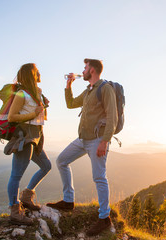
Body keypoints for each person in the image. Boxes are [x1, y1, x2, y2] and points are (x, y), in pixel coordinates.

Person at [47, 58, 118, 236]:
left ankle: (104, 218)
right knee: (62, 160)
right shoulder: (88, 91)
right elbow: (70, 104)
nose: (83, 70)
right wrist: (68, 86)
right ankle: (68, 201)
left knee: (99, 177)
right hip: (82, 139)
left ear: (92, 70)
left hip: (97, 140)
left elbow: (113, 117)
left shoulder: (105, 89)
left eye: (85, 68)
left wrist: (104, 141)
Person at [6, 63, 51, 225]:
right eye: (37, 70)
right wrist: (34, 113)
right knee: (16, 175)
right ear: (31, 74)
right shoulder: (21, 94)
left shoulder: (36, 93)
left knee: (46, 165)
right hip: (25, 137)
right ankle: (14, 212)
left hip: (37, 136)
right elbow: (12, 117)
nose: (39, 72)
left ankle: (26, 197)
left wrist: (43, 107)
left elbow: (41, 117)